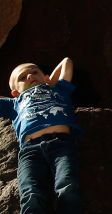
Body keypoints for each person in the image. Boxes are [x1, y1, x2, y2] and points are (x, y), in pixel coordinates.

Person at [0, 58, 82, 213]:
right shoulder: (14, 103)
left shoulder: (58, 89)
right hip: (30, 152)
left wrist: (49, 81)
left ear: (44, 76)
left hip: (62, 144)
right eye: (22, 78)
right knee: (31, 194)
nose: (30, 76)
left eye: (34, 72)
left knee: (68, 186)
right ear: (15, 92)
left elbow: (67, 62)